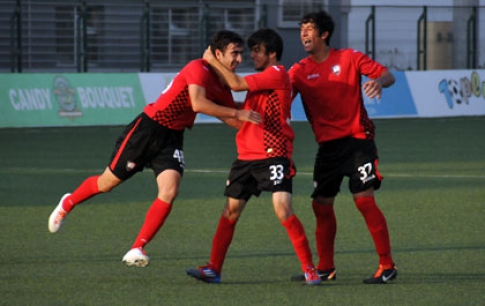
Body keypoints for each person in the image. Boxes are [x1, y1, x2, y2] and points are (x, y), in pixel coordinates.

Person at [47, 30, 262, 267]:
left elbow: (235, 121)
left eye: (241, 54)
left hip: (171, 138)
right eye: (235, 54)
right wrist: (237, 112)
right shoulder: (197, 68)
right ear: (218, 54)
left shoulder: (223, 84)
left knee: (169, 190)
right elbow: (199, 103)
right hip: (147, 130)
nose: (240, 60)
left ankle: (137, 247)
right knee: (106, 183)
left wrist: (265, 126)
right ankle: (68, 202)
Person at [186, 28, 321, 285]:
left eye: (257, 51)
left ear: (272, 53)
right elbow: (242, 118)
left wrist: (211, 59)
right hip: (246, 156)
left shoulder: (277, 74)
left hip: (274, 154)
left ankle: (309, 268)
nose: (252, 56)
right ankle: (214, 268)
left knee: (283, 209)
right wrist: (214, 108)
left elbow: (234, 83)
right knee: (230, 211)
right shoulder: (260, 82)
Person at [288, 11, 397, 284]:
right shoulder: (299, 71)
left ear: (324, 34)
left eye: (309, 29)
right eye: (302, 29)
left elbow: (387, 75)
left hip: (358, 140)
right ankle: (326, 268)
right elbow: (281, 94)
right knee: (321, 205)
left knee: (364, 200)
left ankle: (387, 265)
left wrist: (378, 82)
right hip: (327, 148)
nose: (303, 34)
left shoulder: (349, 57)